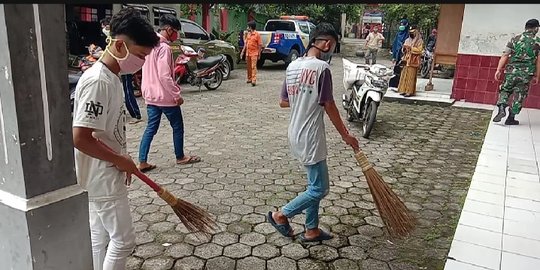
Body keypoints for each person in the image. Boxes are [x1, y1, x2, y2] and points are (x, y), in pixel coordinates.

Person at [72, 7, 159, 270]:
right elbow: (81, 137)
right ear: (119, 44)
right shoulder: (98, 81)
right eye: (141, 55)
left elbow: (104, 133)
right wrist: (118, 160)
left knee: (99, 236)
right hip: (102, 175)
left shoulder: (112, 77)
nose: (142, 62)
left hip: (104, 170)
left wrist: (123, 157)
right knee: (123, 240)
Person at [268, 22, 360, 242]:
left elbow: (283, 102)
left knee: (313, 185)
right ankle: (281, 215)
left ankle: (312, 230)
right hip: (310, 136)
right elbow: (329, 105)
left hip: (294, 133)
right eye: (334, 46)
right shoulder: (322, 69)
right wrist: (346, 135)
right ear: (327, 43)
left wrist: (303, 99)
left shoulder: (292, 67)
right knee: (320, 189)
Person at [138, 14, 201, 172]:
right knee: (177, 126)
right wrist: (176, 95)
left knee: (151, 128)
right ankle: (180, 157)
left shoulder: (149, 45)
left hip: (150, 96)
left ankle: (142, 161)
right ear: (168, 29)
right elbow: (164, 75)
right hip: (165, 97)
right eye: (176, 31)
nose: (177, 35)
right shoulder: (164, 48)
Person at [493, 19, 540, 125]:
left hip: (511, 71)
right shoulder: (538, 41)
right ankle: (511, 118)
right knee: (519, 95)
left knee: (505, 90)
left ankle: (501, 108)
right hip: (526, 74)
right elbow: (538, 61)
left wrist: (498, 70)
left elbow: (505, 55)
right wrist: (537, 75)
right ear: (536, 28)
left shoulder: (514, 39)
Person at [397, 26, 424, 97]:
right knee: (404, 75)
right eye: (410, 33)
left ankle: (409, 91)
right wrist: (404, 49)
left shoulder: (419, 41)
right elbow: (403, 50)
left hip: (413, 61)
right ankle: (403, 90)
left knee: (410, 77)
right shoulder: (407, 40)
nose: (411, 34)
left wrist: (411, 48)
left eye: (413, 33)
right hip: (406, 60)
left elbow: (419, 50)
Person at [241, 21, 263, 87]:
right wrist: (242, 52)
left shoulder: (257, 34)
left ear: (250, 27)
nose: (247, 28)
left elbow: (260, 45)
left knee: (253, 67)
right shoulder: (248, 34)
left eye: (248, 27)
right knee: (248, 67)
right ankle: (249, 78)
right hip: (248, 53)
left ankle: (254, 80)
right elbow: (246, 44)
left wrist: (259, 54)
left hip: (254, 53)